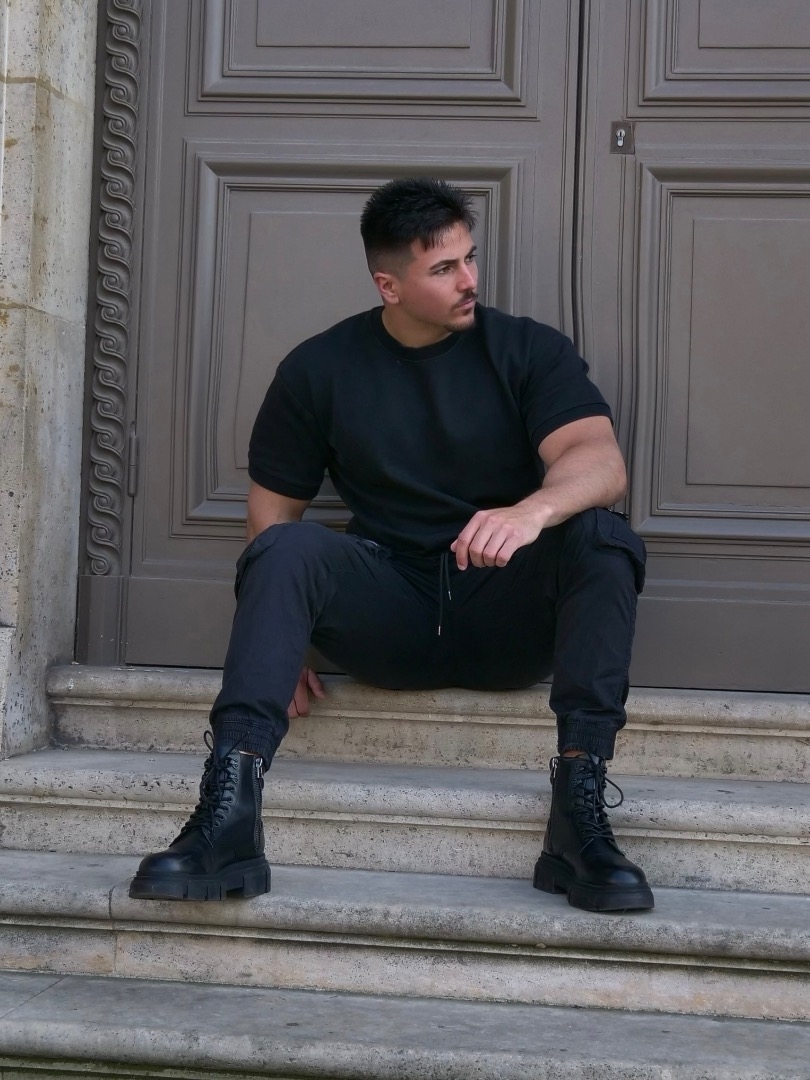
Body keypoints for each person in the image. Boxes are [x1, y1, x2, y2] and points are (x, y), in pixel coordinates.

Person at [129, 177, 653, 913]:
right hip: (392, 616)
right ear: (390, 285)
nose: (469, 280)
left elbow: (600, 461)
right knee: (286, 548)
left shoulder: (527, 349)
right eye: (444, 268)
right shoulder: (320, 368)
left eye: (470, 258)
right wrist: (283, 645)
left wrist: (530, 512)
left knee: (602, 536)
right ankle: (227, 822)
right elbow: (272, 511)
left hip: (507, 616)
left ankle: (580, 815)